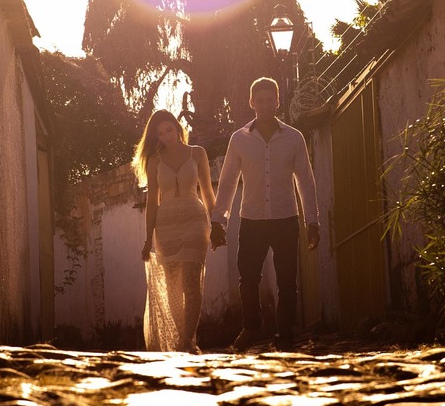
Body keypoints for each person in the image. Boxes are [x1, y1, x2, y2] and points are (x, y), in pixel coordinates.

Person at [210, 77, 320, 352]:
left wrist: (312, 221)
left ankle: (285, 334)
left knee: (287, 281)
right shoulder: (239, 139)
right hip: (252, 221)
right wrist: (218, 221)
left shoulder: (294, 138)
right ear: (251, 102)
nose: (265, 105)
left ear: (277, 101)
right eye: (260, 100)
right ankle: (252, 325)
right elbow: (227, 182)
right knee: (247, 279)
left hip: (285, 219)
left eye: (270, 99)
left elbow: (305, 181)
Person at [135, 110, 216, 353]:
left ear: (177, 127)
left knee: (191, 284)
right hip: (166, 226)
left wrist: (217, 224)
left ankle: (185, 342)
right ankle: (186, 340)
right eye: (160, 134)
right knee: (172, 288)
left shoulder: (197, 153)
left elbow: (207, 193)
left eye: (169, 129)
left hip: (195, 221)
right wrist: (147, 239)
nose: (166, 136)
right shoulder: (154, 161)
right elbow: (152, 203)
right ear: (156, 137)